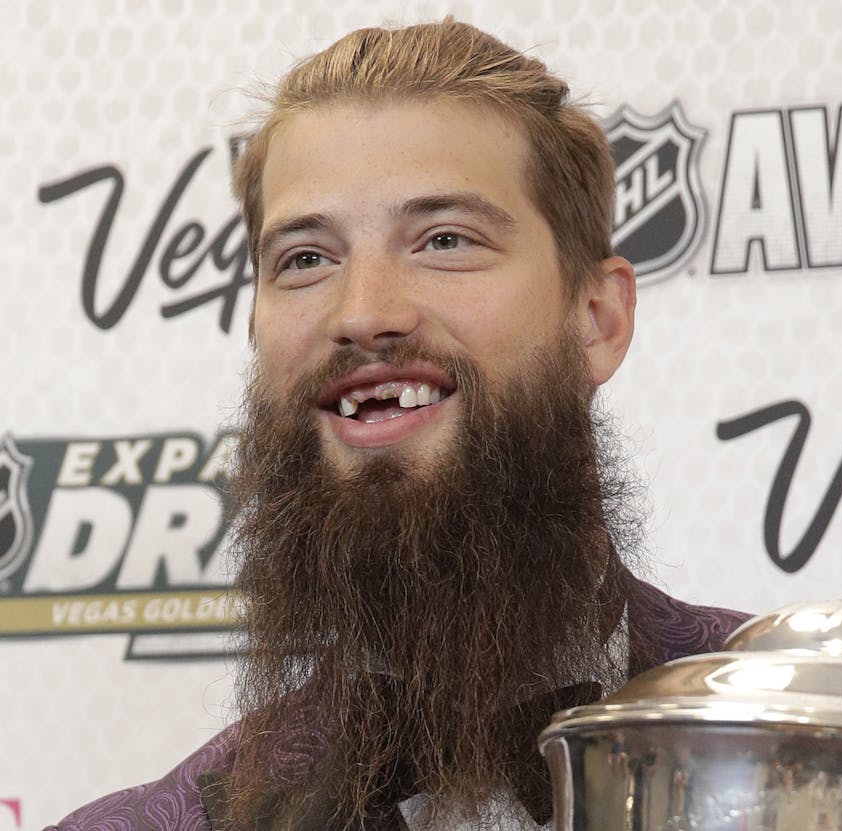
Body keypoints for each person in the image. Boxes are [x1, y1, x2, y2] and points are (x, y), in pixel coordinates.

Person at [48, 18, 747, 831]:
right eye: (306, 258)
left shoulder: (832, 744)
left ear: (597, 318)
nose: (365, 313)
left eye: (445, 240)